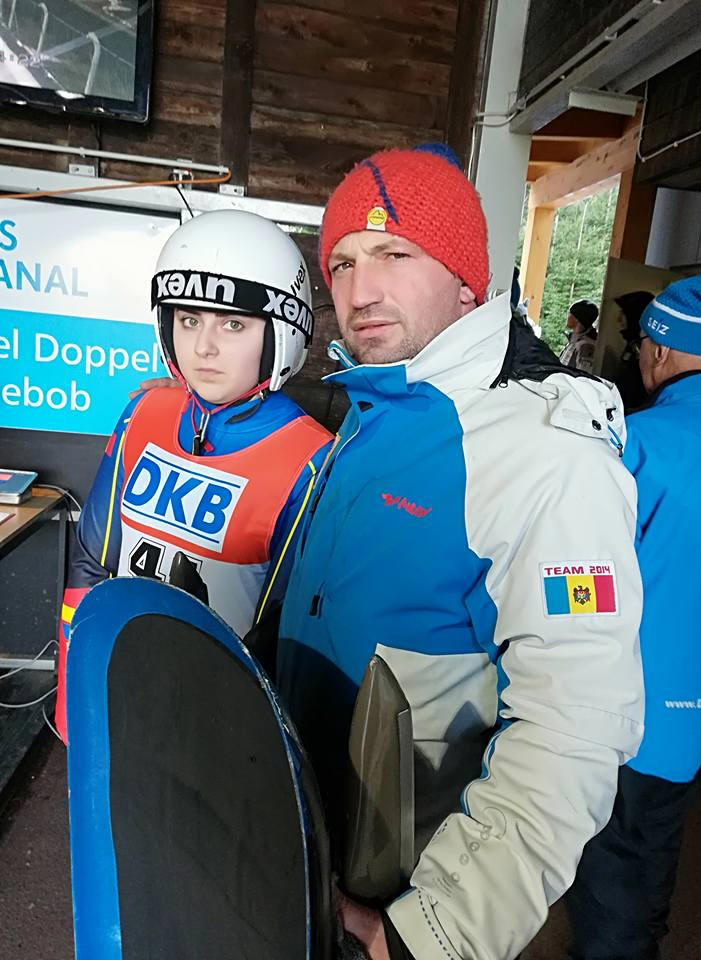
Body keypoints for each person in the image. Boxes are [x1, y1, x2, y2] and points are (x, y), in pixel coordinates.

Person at [275, 144, 644, 960]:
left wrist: (434, 935)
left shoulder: (547, 454)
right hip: (320, 851)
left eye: (394, 254)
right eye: (342, 263)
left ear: (469, 281)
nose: (359, 291)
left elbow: (574, 732)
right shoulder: (374, 407)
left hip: (403, 901)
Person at [55, 210, 332, 743]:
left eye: (233, 324)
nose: (204, 347)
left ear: (281, 334)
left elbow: (283, 638)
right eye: (188, 320)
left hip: (218, 726)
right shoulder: (144, 413)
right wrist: (75, 696)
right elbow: (91, 559)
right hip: (118, 689)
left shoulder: (312, 461)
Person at [566, 273, 701, 960]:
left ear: (658, 351)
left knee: (612, 872)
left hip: (631, 712)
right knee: (656, 842)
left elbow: (579, 578)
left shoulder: (637, 442)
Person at [613, 290, 654, 411]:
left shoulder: (646, 348)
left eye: (623, 314)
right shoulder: (632, 344)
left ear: (634, 315)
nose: (619, 319)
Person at [560, 298, 598, 372]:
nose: (567, 317)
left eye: (569, 314)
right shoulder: (574, 338)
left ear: (577, 318)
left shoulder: (586, 345)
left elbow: (582, 373)